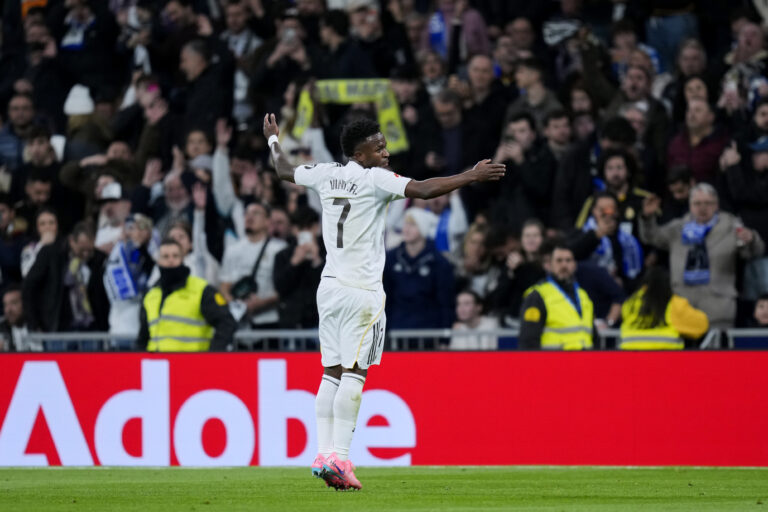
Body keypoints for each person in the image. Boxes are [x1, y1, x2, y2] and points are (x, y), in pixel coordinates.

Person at [263, 113, 504, 490]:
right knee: (355, 374)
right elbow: (424, 190)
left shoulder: (324, 173)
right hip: (362, 292)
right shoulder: (375, 179)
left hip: (329, 288)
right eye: (378, 148)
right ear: (360, 154)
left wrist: (273, 140)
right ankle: (340, 457)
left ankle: (324, 453)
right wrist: (470, 176)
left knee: (331, 372)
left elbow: (283, 170)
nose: (386, 152)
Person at [640, 184, 765, 329]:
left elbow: (753, 252)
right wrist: (647, 218)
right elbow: (651, 237)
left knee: (717, 351)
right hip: (682, 307)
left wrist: (751, 239)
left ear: (717, 205)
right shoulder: (678, 227)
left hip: (718, 307)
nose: (702, 208)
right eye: (697, 203)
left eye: (708, 203)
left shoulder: (731, 226)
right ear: (690, 205)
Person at [137, 238, 235, 352]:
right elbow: (143, 336)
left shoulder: (201, 290)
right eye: (165, 256)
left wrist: (212, 355)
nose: (171, 260)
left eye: (175, 256)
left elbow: (227, 323)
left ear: (182, 259)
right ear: (159, 261)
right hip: (157, 365)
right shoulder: (151, 294)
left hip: (190, 364)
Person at [518, 241, 595, 350]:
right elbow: (528, 339)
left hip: (585, 362)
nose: (564, 265)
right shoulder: (538, 295)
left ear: (574, 265)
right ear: (549, 265)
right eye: (559, 261)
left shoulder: (583, 295)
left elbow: (592, 335)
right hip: (554, 363)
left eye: (568, 260)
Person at [619, 266, 709, 350]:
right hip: (667, 358)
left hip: (631, 357)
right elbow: (702, 325)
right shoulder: (673, 303)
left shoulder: (629, 303)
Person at [0, 284, 40, 352]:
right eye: (6, 305)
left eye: (14, 303)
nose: (8, 310)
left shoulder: (39, 325)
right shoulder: (2, 328)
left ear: (25, 303)